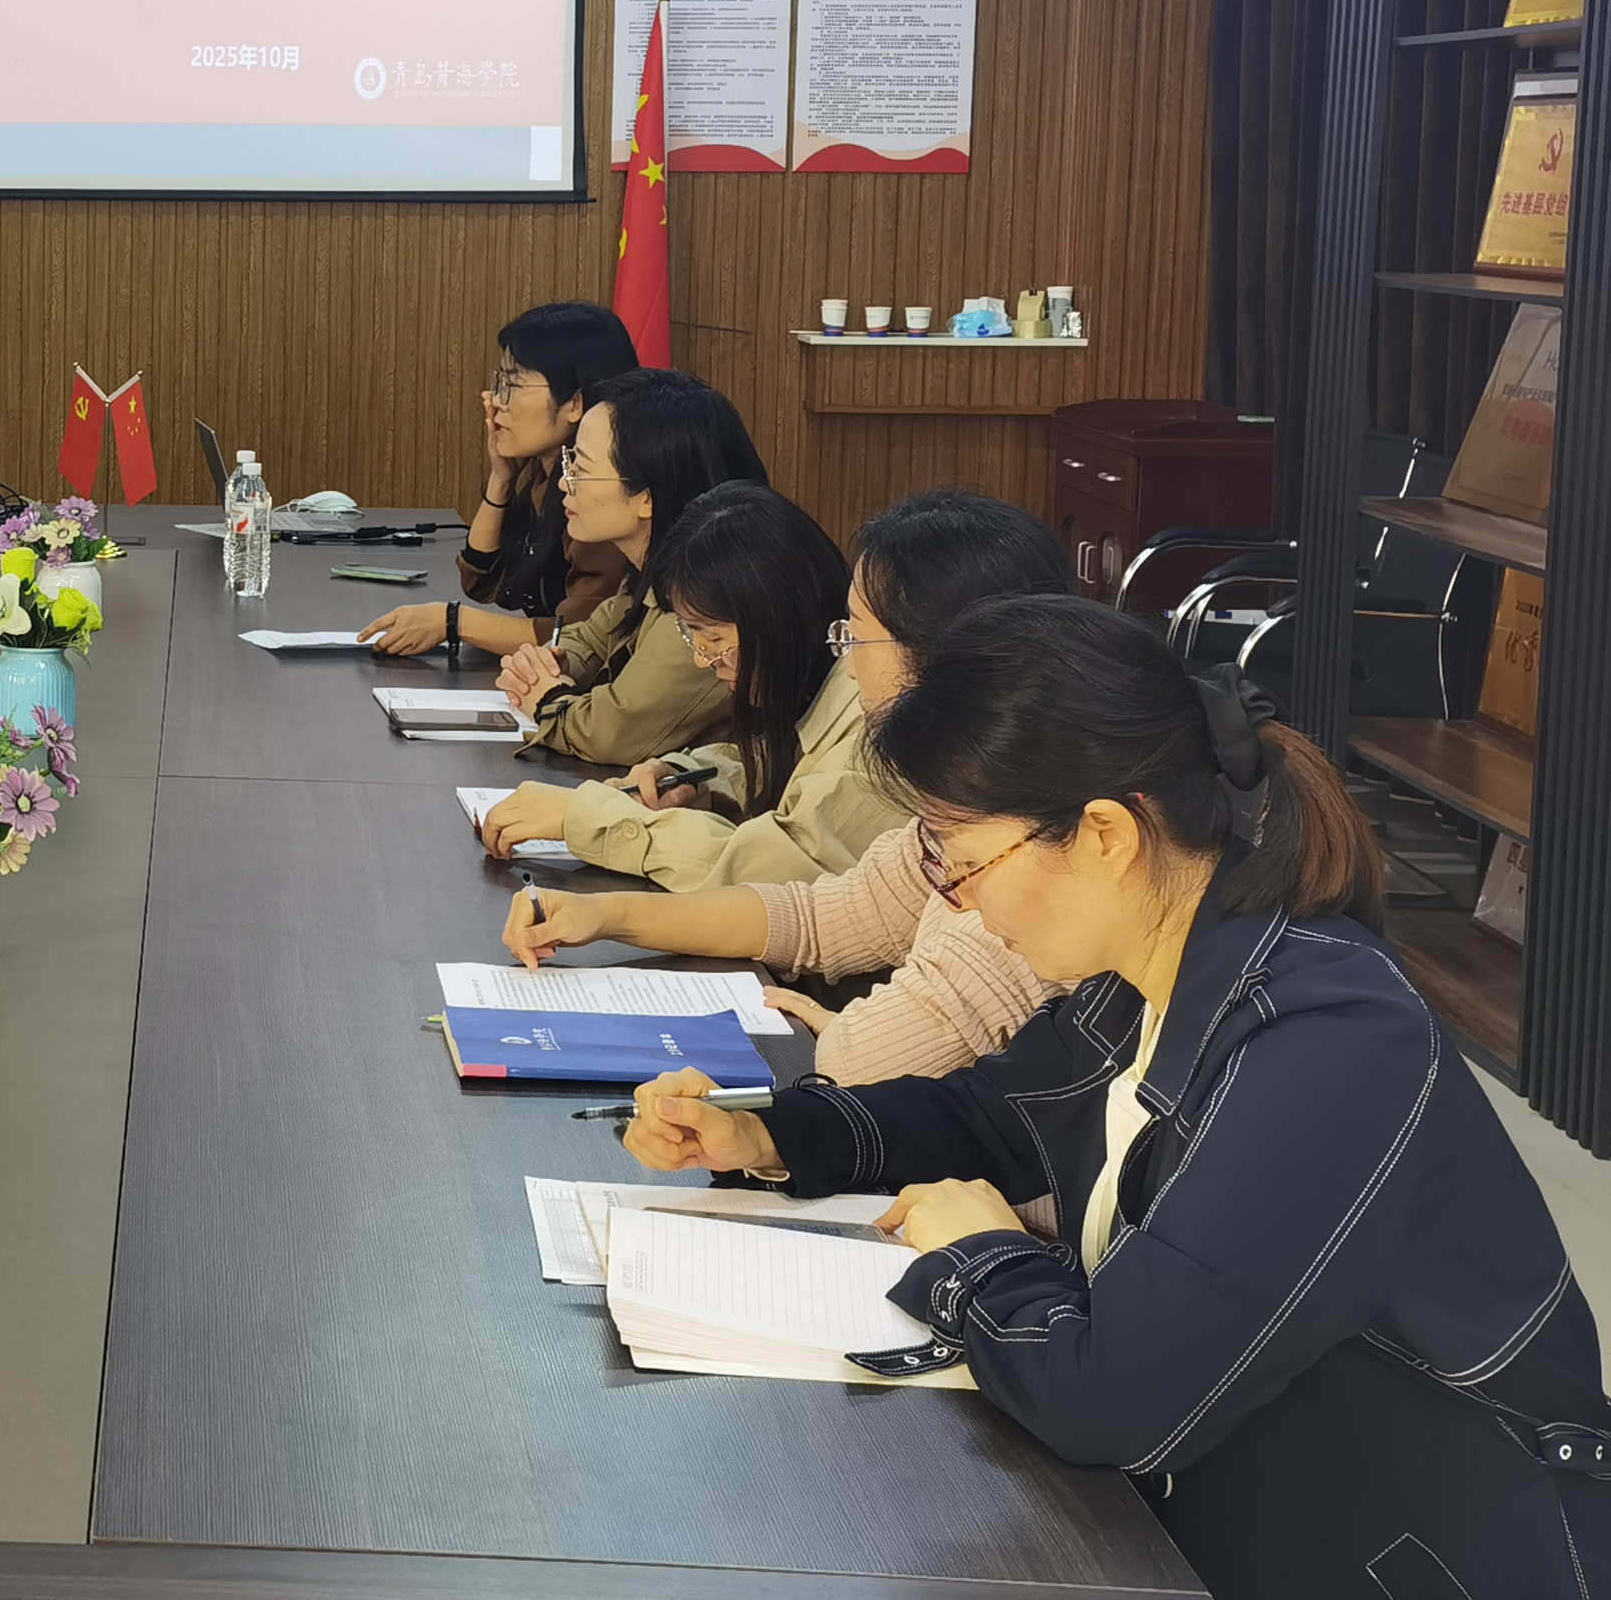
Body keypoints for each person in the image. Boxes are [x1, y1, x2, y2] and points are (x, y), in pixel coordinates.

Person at [621, 595, 1611, 1597]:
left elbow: (1117, 1403)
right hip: (1235, 1503)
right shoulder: (1154, 971)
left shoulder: (1328, 1040)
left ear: (1103, 834)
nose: (960, 903)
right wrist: (766, 1136)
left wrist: (979, 1255)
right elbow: (990, 1115)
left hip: (1411, 1552)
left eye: (966, 864)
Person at [497, 489, 1070, 1081]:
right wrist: (603, 914)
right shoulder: (958, 817)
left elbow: (861, 1056)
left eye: (856, 638)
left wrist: (846, 1032)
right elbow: (815, 916)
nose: (848, 665)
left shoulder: (1024, 855)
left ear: (946, 656)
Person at [486, 482, 896, 892]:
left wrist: (592, 819)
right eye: (692, 637)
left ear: (780, 619)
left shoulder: (872, 729)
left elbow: (771, 871)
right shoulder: (819, 689)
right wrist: (691, 780)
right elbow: (781, 764)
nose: (703, 660)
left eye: (713, 639)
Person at [493, 368, 765, 766]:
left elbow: (613, 734)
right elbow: (591, 637)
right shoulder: (652, 569)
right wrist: (550, 665)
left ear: (646, 497)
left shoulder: (710, 600)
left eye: (582, 469)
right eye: (570, 463)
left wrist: (547, 697)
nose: (565, 483)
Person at [357, 302, 639, 658]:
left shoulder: (600, 494)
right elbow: (480, 581)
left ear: (575, 403)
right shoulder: (544, 477)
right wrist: (501, 478)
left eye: (513, 384)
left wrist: (453, 621)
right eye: (499, 382)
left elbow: (577, 636)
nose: (494, 401)